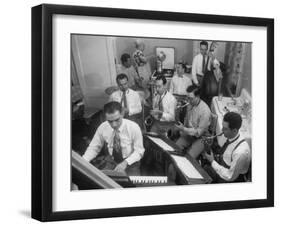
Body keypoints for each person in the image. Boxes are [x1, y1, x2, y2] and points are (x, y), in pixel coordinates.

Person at [83, 101, 145, 176]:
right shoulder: (103, 127)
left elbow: (139, 151)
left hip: (131, 163)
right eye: (110, 121)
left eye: (117, 120)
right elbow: (94, 147)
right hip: (112, 161)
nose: (114, 125)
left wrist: (125, 163)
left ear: (122, 114)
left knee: (132, 185)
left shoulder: (133, 127)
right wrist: (83, 161)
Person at [203, 112, 251, 183]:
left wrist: (212, 161)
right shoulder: (233, 135)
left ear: (234, 130)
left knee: (205, 170)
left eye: (225, 129)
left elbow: (230, 176)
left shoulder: (240, 152)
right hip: (225, 165)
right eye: (222, 126)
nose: (222, 130)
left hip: (231, 179)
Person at [174, 84, 211, 158]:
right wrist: (178, 115)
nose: (188, 101)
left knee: (189, 156)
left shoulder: (205, 111)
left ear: (197, 97)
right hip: (190, 133)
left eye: (191, 98)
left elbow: (198, 133)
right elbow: (187, 120)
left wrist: (184, 129)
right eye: (187, 98)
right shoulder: (190, 104)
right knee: (176, 148)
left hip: (202, 137)